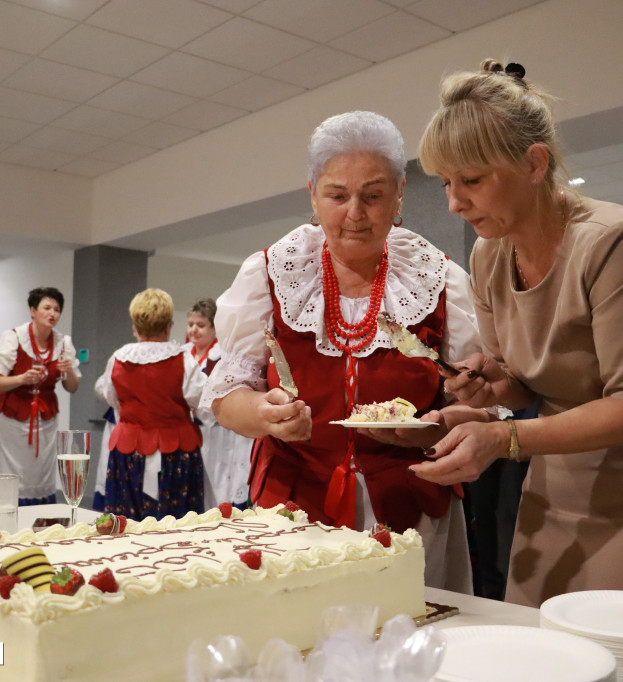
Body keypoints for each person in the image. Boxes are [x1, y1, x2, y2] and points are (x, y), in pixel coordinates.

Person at [410, 60, 623, 611]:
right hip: (559, 483)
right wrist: (490, 387)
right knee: (542, 641)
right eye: (446, 183)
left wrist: (504, 438)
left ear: (535, 164)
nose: (454, 203)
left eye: (472, 180)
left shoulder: (615, 244)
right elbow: (522, 385)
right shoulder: (488, 255)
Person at [203, 111, 483, 593]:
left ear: (399, 196)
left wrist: (440, 423)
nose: (355, 213)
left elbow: (476, 404)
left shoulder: (440, 279)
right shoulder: (271, 273)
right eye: (337, 195)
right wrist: (264, 413)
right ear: (312, 194)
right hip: (292, 513)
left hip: (412, 513)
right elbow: (226, 394)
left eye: (373, 196)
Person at [96, 288, 206, 519]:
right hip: (175, 453)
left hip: (128, 452)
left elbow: (112, 398)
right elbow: (201, 399)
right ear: (169, 326)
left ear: (136, 326)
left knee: (127, 524)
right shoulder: (183, 359)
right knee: (178, 524)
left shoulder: (118, 358)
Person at [0, 286, 80, 505]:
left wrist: (70, 370)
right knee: (8, 474)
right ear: (33, 311)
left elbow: (72, 387)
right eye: (47, 308)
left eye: (57, 309)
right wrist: (21, 379)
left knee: (39, 475)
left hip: (44, 419)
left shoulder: (63, 343)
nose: (52, 313)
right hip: (9, 418)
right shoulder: (13, 337)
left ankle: (39, 514)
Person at [184, 297, 253, 509]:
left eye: (201, 325)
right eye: (190, 324)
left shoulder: (223, 356)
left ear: (214, 328)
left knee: (218, 484)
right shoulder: (182, 353)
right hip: (191, 430)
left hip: (218, 430)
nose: (194, 330)